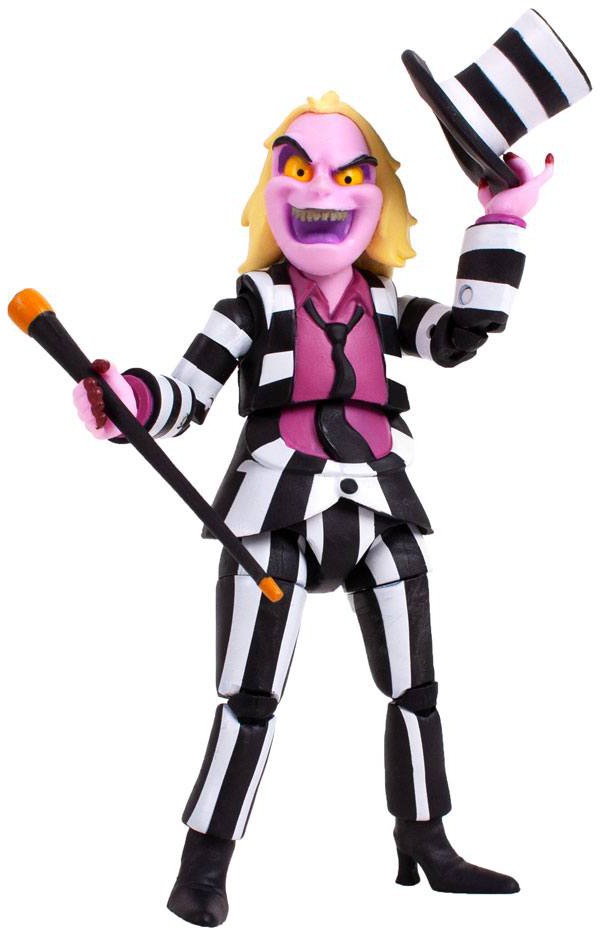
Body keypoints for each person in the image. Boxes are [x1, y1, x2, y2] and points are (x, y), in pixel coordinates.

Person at [74, 92, 553, 926]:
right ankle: (204, 863)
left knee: (416, 689)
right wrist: (128, 403)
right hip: (273, 511)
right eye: (296, 168)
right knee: (249, 696)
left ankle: (426, 838)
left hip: (379, 504)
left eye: (348, 174)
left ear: (380, 199)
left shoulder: (389, 306)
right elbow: (183, 395)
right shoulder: (252, 306)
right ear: (269, 192)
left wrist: (503, 218)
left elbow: (464, 332)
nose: (321, 188)